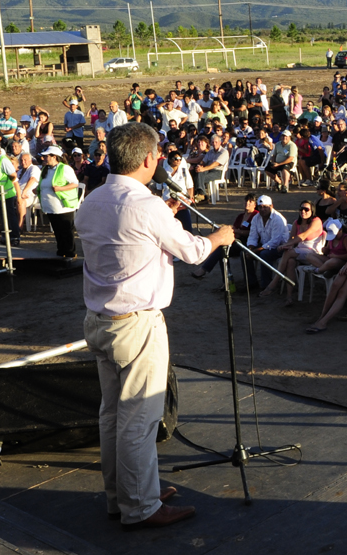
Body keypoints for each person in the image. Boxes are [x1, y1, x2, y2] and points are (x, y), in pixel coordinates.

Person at [78, 121, 235, 529]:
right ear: (148, 159)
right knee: (138, 421)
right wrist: (218, 237)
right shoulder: (146, 206)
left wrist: (163, 219)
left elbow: (129, 238)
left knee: (112, 415)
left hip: (99, 320)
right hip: (136, 327)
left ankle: (126, 495)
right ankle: (140, 507)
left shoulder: (91, 200)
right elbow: (194, 252)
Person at [40, 146, 81, 258]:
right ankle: (61, 251)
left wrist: (60, 188)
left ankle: (70, 254)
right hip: (50, 206)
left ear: (54, 157)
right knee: (57, 231)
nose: (43, 158)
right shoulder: (45, 169)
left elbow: (75, 183)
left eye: (46, 156)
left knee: (66, 231)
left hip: (63, 206)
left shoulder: (65, 168)